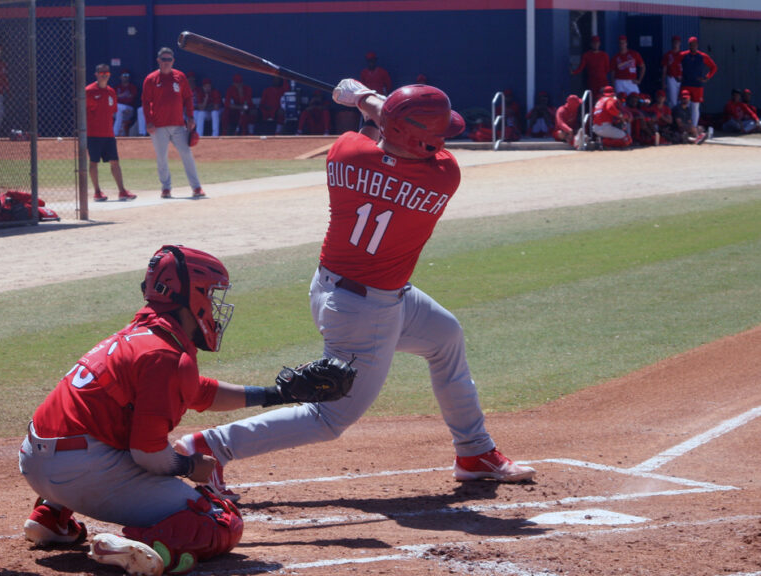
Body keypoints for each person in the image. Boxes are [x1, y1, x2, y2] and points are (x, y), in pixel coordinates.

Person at [175, 80, 537, 509]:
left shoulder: (344, 151)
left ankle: (475, 451)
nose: (444, 140)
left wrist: (360, 99)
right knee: (329, 416)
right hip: (367, 313)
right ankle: (210, 446)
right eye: (437, 135)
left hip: (337, 289)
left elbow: (384, 127)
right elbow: (389, 122)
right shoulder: (443, 176)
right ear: (418, 139)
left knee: (444, 337)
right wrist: (365, 95)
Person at [18, 245, 249, 576]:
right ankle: (145, 546)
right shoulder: (167, 354)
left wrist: (277, 393)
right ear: (192, 294)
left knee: (108, 428)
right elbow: (147, 455)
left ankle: (51, 516)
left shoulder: (139, 335)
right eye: (210, 295)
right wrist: (189, 465)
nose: (213, 305)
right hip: (82, 471)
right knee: (220, 521)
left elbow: (200, 392)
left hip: (35, 461)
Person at [141, 47, 204, 199]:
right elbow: (145, 101)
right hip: (158, 126)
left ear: (173, 61)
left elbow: (188, 97)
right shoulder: (151, 79)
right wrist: (149, 121)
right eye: (164, 59)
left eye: (169, 59)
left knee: (186, 154)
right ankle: (166, 188)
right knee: (162, 158)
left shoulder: (180, 77)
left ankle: (196, 187)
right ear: (158, 61)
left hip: (178, 125)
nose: (166, 62)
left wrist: (190, 117)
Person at [86, 63, 135, 202]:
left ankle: (122, 191)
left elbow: (112, 110)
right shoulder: (89, 91)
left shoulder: (111, 92)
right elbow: (83, 112)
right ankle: (97, 192)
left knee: (115, 162)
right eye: (101, 73)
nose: (104, 76)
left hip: (108, 134)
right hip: (93, 134)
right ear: (96, 74)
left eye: (106, 74)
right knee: (94, 162)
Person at [675, 36, 718, 133]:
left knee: (695, 106)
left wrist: (707, 77)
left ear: (697, 45)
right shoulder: (683, 55)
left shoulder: (702, 56)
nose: (692, 46)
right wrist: (678, 75)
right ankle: (682, 127)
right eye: (691, 44)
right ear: (688, 45)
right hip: (686, 84)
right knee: (683, 104)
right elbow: (675, 64)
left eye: (694, 44)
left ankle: (693, 128)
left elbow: (714, 67)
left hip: (697, 85)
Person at [113, 70, 139, 137]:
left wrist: (118, 96)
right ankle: (115, 133)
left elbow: (130, 100)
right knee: (118, 110)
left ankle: (114, 134)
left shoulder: (132, 87)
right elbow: (112, 99)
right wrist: (123, 96)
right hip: (116, 110)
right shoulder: (117, 88)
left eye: (127, 75)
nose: (125, 77)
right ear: (120, 77)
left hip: (129, 110)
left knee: (118, 107)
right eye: (124, 75)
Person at [660, 35, 682, 109]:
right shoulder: (668, 55)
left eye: (677, 42)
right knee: (672, 100)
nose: (676, 44)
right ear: (672, 43)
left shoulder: (683, 55)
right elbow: (664, 70)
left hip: (681, 79)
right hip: (671, 78)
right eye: (674, 42)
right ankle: (673, 118)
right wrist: (663, 83)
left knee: (682, 99)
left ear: (680, 43)